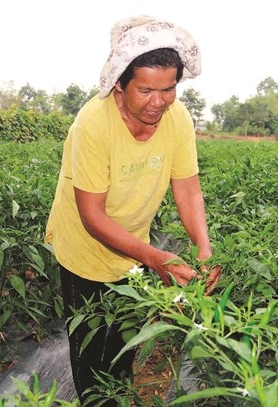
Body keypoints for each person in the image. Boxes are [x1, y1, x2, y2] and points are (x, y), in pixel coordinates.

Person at [44, 15, 221, 406]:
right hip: (85, 251)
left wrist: (204, 248)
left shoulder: (178, 119)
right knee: (92, 357)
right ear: (120, 85)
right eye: (145, 90)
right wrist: (157, 259)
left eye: (168, 89)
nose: (158, 102)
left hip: (133, 249)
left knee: (123, 348)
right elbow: (92, 216)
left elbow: (188, 188)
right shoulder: (93, 124)